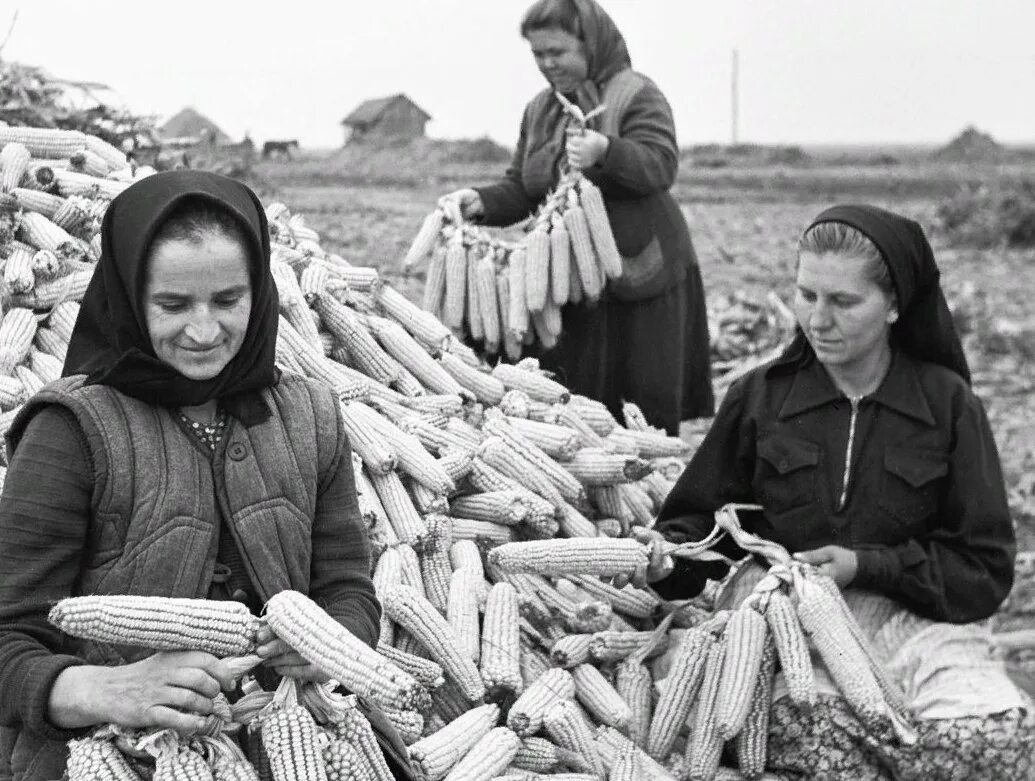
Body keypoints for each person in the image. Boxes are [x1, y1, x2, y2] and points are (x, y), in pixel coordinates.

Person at [0, 171, 404, 780]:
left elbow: (346, 587)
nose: (204, 331)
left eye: (227, 300)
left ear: (259, 292)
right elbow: (8, 637)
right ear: (128, 297)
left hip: (290, 739)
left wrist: (330, 644)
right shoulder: (71, 429)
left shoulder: (310, 415)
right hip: (115, 752)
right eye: (172, 305)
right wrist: (107, 689)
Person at [647, 204, 1033, 778]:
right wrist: (663, 560)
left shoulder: (949, 406)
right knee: (814, 735)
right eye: (807, 295)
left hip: (915, 619)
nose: (816, 320)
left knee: (998, 740)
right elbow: (701, 526)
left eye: (843, 302)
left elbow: (983, 568)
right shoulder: (761, 397)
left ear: (896, 304)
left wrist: (868, 567)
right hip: (789, 627)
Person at [447, 0, 714, 435]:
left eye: (558, 52)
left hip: (639, 275)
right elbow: (524, 187)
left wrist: (607, 151)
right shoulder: (541, 110)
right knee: (575, 404)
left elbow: (661, 166)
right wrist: (479, 201)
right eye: (538, 54)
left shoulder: (635, 94)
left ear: (591, 44)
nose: (547, 64)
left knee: (637, 412)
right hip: (570, 279)